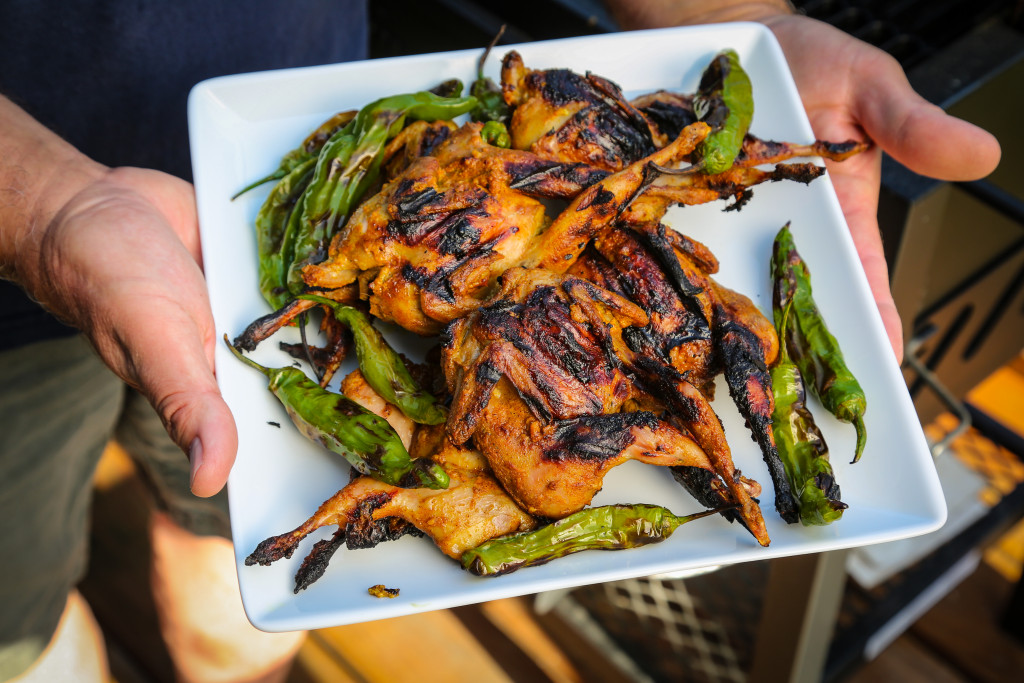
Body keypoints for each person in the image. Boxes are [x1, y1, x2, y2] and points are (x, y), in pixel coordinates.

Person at [0, 0, 1001, 680]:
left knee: (230, 572)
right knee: (19, 620)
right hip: (28, 268)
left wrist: (742, 27)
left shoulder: (549, 252)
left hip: (284, 96)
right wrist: (45, 212)